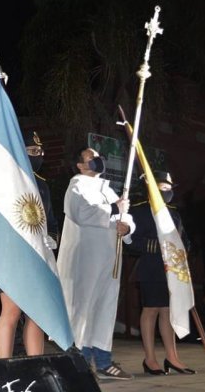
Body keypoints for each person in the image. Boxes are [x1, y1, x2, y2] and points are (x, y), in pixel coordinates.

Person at [0, 131, 58, 359]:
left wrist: (52, 238)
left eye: (41, 152)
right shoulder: (3, 181)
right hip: (12, 255)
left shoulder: (43, 186)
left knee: (36, 314)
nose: (39, 156)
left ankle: (35, 363)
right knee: (10, 311)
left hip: (37, 257)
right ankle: (4, 363)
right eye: (33, 151)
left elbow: (51, 220)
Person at [57, 147, 135, 380]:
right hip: (85, 259)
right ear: (80, 165)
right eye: (92, 158)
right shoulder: (76, 186)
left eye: (99, 156)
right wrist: (113, 211)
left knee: (105, 307)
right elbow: (80, 212)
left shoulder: (108, 190)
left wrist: (127, 227)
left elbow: (126, 215)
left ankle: (102, 361)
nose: (97, 160)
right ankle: (78, 362)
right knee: (83, 308)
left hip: (110, 258)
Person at [131, 171, 195, 375]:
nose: (166, 192)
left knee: (168, 311)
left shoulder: (174, 213)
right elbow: (132, 240)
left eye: (169, 188)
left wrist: (183, 251)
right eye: (162, 188)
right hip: (150, 267)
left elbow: (183, 240)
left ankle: (172, 357)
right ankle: (150, 359)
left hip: (172, 270)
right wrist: (156, 246)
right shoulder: (140, 211)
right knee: (151, 310)